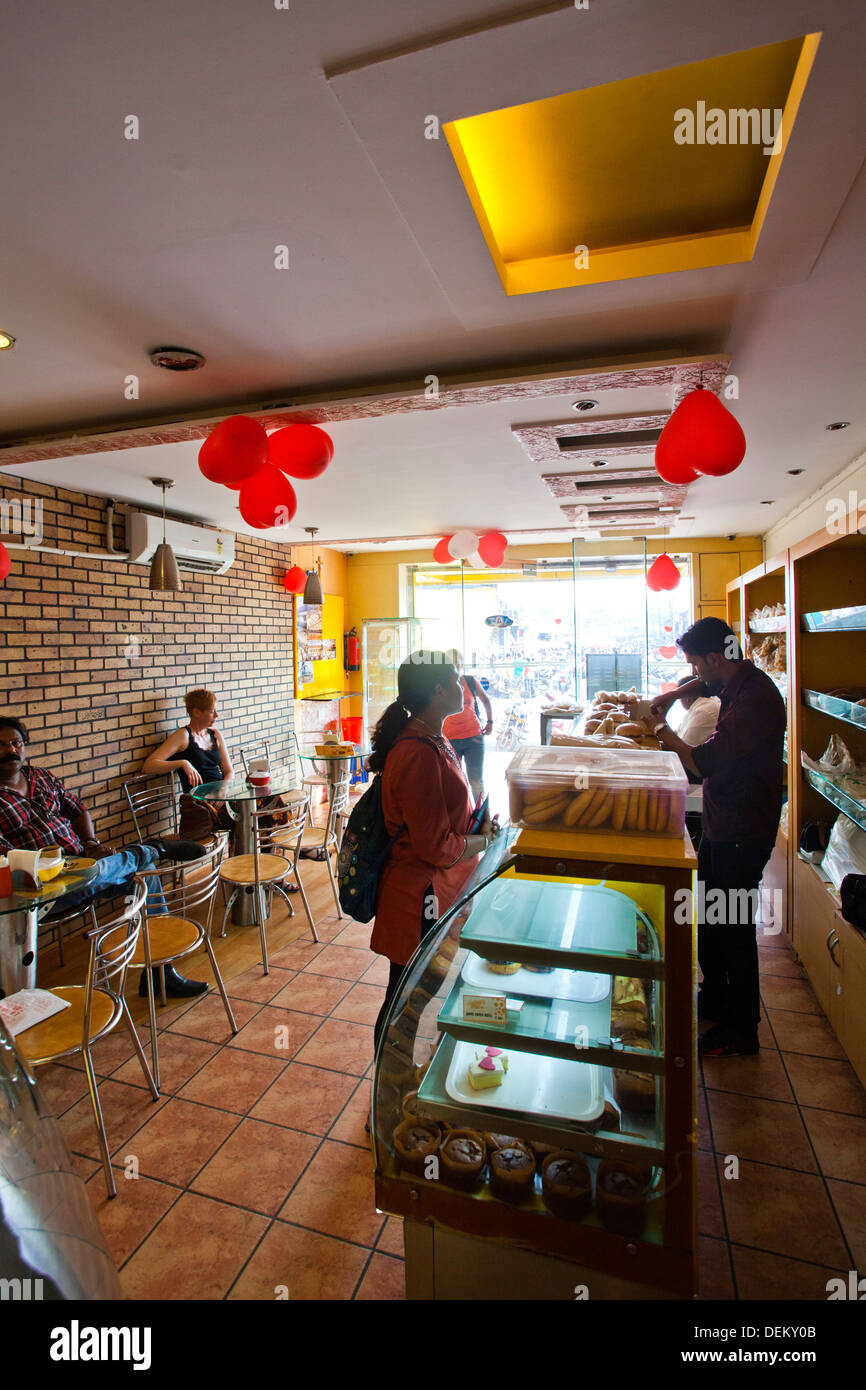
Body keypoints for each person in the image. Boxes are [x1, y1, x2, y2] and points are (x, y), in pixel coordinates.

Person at [649, 619, 786, 1058]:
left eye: (696, 664)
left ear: (713, 658)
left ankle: (741, 1028)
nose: (695, 674)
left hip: (743, 832)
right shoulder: (737, 681)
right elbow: (700, 684)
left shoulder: (756, 700)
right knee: (708, 916)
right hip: (721, 824)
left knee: (733, 927)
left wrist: (660, 730)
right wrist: (672, 695)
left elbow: (703, 762)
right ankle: (715, 997)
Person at [0, 717, 208, 997]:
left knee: (143, 875)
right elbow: (8, 861)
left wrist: (90, 842)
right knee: (139, 862)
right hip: (44, 890)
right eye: (1, 745)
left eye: (15, 743)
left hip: (82, 863)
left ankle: (160, 971)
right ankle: (150, 849)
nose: (10, 750)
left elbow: (77, 810)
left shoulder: (39, 777)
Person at [370, 652, 497, 1049]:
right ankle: (387, 1094)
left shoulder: (432, 736)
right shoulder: (416, 751)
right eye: (457, 680)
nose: (465, 688)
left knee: (419, 991)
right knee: (406, 1001)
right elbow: (434, 846)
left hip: (442, 888)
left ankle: (398, 1081)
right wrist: (483, 841)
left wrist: (477, 823)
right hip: (420, 895)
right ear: (438, 690)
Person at [143, 688, 233, 837]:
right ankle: (244, 857)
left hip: (222, 796)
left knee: (266, 802)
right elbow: (148, 766)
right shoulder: (183, 736)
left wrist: (223, 791)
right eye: (211, 711)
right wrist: (182, 763)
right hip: (200, 803)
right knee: (247, 816)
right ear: (197, 712)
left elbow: (229, 771)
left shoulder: (215, 734)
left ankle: (259, 856)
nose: (216, 715)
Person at [441, 649, 493, 801]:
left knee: (476, 781)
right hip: (449, 740)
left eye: (457, 663)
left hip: (474, 738)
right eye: (451, 663)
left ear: (462, 664)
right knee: (453, 782)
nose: (455, 666)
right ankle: (461, 818)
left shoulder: (470, 681)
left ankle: (482, 818)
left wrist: (490, 722)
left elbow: (486, 701)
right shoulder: (441, 686)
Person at [673, 675, 720, 747]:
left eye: (679, 699)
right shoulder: (697, 707)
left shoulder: (703, 711)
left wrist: (660, 726)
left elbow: (683, 748)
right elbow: (677, 733)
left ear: (686, 697)